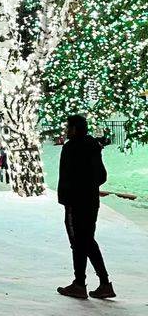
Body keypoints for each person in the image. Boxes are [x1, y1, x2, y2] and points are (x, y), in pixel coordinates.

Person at [56, 114, 115, 300]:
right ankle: (103, 283)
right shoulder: (93, 146)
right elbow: (102, 176)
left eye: (68, 127)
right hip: (91, 201)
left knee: (78, 242)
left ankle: (80, 284)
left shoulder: (71, 148)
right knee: (87, 240)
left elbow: (66, 176)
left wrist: (69, 195)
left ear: (74, 129)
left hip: (75, 202)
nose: (66, 130)